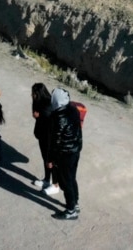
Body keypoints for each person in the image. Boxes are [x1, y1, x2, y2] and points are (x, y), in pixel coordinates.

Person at [48, 88, 82, 220]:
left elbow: (55, 142)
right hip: (75, 151)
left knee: (65, 181)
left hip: (65, 154)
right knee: (72, 178)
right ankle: (75, 203)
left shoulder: (58, 117)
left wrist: (50, 159)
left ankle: (71, 210)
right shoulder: (73, 109)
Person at [31, 83, 59, 194]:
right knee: (45, 158)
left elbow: (48, 117)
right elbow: (34, 112)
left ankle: (55, 184)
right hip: (42, 134)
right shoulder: (37, 101)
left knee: (51, 160)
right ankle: (47, 179)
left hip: (50, 137)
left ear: (39, 93)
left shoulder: (49, 103)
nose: (31, 94)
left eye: (33, 93)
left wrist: (39, 115)